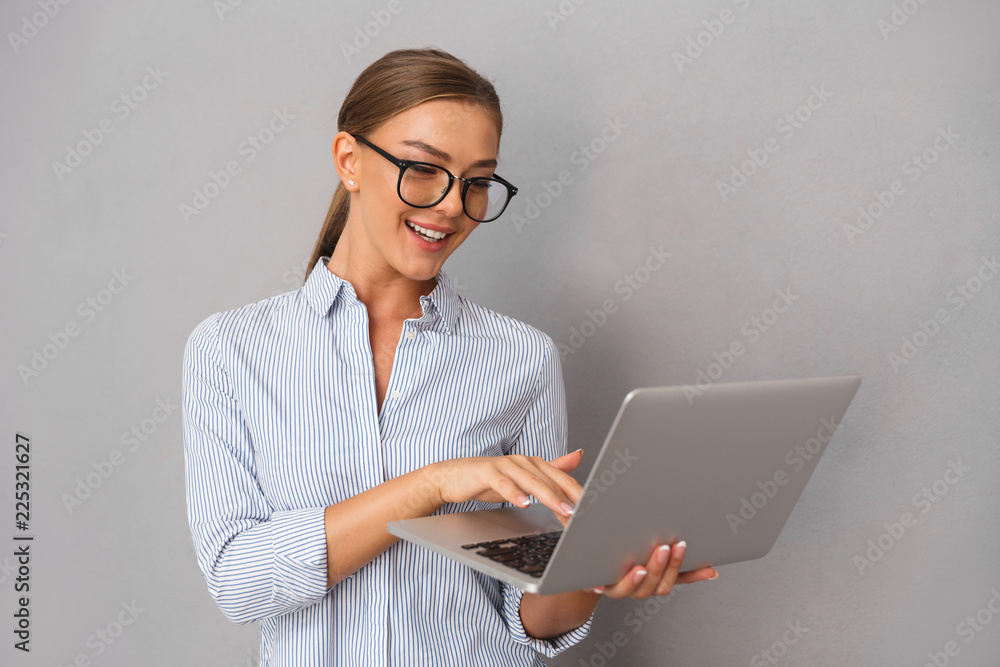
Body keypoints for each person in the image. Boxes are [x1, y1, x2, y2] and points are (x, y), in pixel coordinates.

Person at [182, 47, 718, 667]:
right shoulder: (231, 349)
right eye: (423, 169)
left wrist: (594, 573)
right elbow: (239, 579)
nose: (449, 206)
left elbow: (529, 610)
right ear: (349, 160)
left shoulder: (522, 358)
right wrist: (434, 484)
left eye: (477, 182)